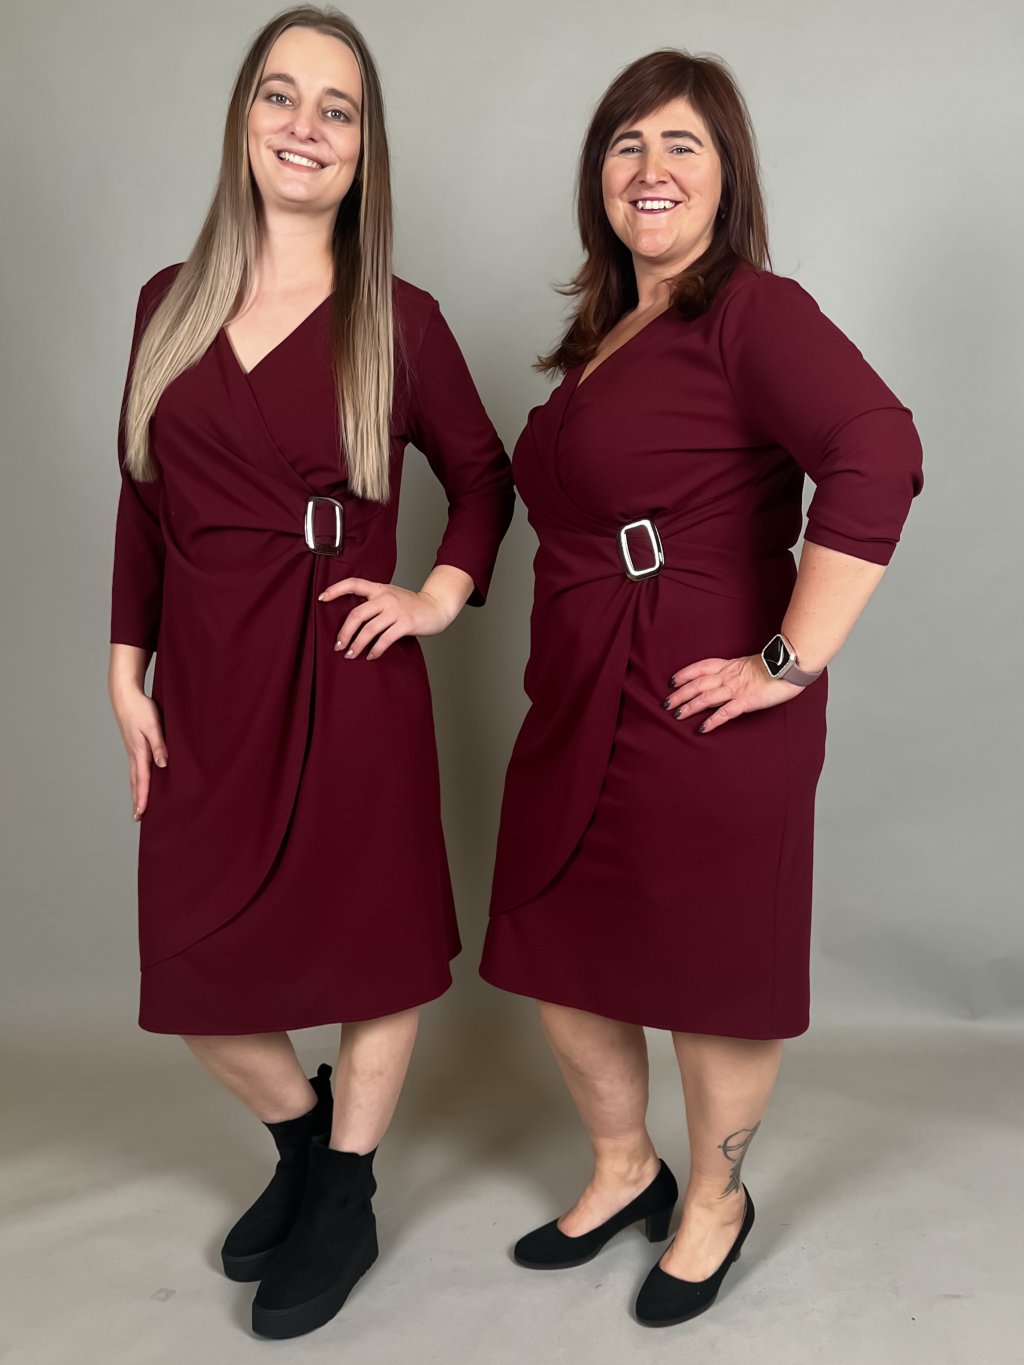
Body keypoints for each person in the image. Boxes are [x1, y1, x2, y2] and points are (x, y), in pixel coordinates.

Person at [480, 48, 923, 1327]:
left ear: (728, 176)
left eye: (682, 143)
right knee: (559, 945)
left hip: (700, 696)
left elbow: (877, 448)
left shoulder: (750, 311)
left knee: (710, 970)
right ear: (598, 178)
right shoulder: (602, 337)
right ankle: (625, 1169)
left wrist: (789, 659)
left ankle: (716, 1201)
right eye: (627, 144)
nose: (651, 167)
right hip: (578, 691)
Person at [108, 7, 513, 1340]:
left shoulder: (400, 319)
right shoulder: (164, 304)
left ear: (363, 148)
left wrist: (436, 596)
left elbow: (485, 478)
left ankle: (345, 1188)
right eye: (280, 96)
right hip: (208, 683)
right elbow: (142, 503)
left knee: (373, 957)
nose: (304, 125)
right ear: (242, 120)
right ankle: (305, 1141)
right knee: (193, 973)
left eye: (337, 109)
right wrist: (125, 671)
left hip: (348, 670)